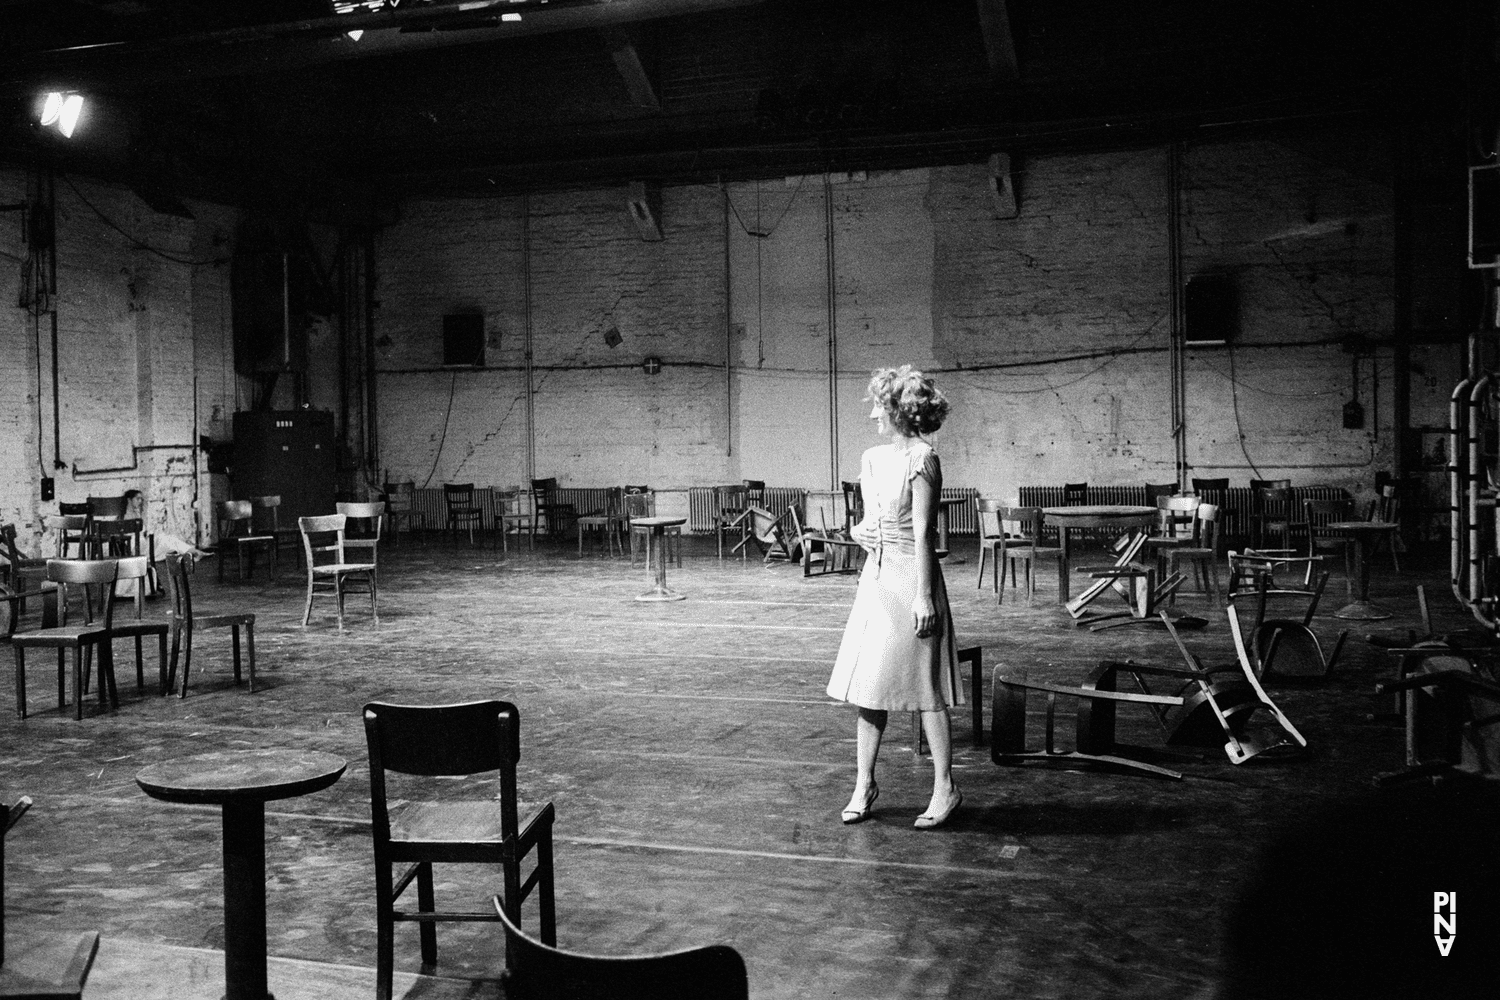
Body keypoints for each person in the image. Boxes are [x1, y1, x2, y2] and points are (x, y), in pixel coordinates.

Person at [826, 365, 964, 829]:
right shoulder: (871, 458)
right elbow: (868, 522)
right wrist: (859, 531)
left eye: (877, 407)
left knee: (925, 687)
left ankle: (945, 787)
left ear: (899, 411)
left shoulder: (923, 458)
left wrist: (925, 597)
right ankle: (864, 783)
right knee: (870, 687)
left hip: (913, 580)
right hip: (878, 580)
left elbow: (923, 532)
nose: (871, 416)